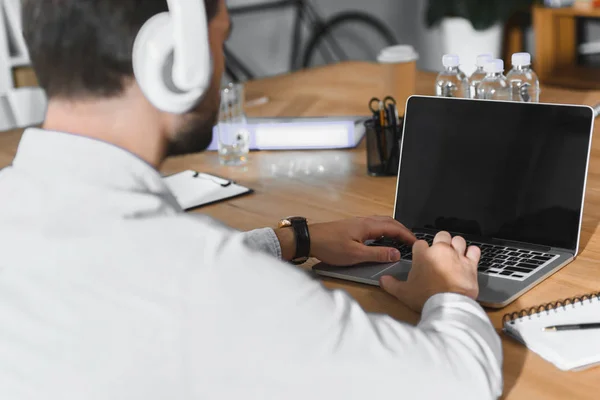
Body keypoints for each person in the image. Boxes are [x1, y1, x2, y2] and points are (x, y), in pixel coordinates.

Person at [0, 0, 502, 399]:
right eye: (220, 41)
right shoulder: (205, 281)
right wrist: (448, 292)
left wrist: (291, 240)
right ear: (176, 60)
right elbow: (460, 380)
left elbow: (122, 269)